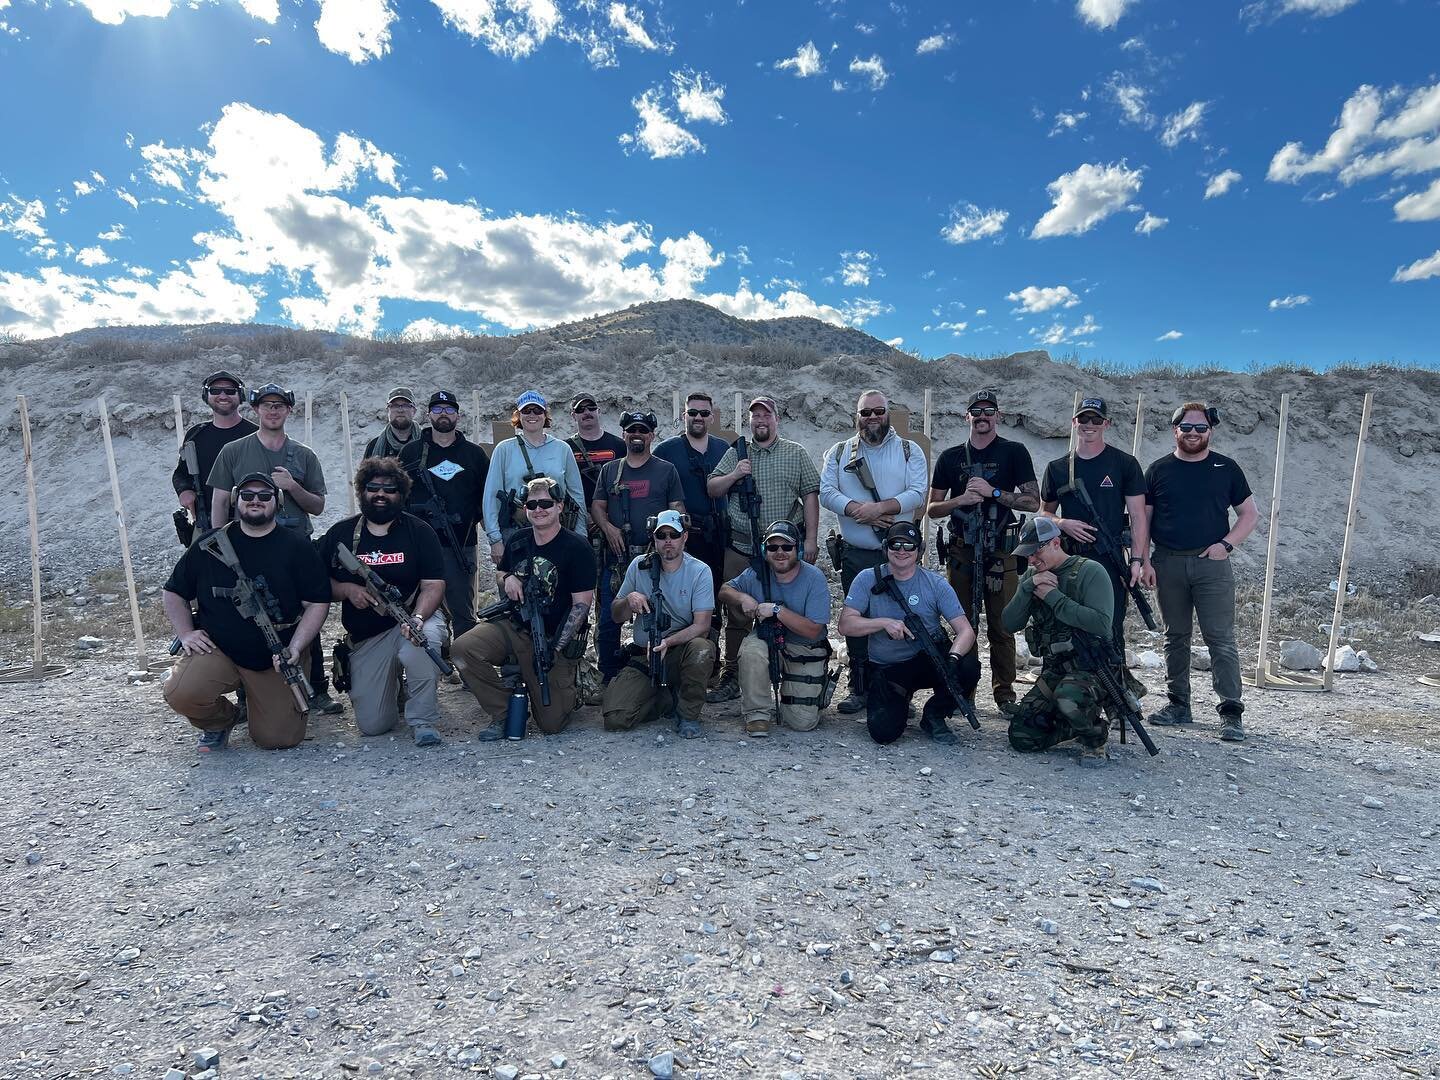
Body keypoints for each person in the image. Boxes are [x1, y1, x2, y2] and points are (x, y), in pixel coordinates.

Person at [162, 472, 330, 751]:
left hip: (276, 656)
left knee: (279, 739)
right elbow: (173, 592)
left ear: (277, 502)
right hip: (219, 649)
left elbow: (317, 603)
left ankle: (261, 706)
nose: (255, 501)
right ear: (237, 500)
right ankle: (221, 721)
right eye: (247, 496)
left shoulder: (297, 546)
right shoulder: (210, 544)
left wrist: (297, 648)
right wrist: (186, 633)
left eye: (264, 496)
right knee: (181, 692)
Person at [207, 381, 339, 714]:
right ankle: (246, 694)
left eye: (279, 405)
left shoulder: (304, 455)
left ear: (288, 411)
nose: (273, 410)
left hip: (295, 550)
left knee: (308, 612)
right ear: (255, 410)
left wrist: (292, 486)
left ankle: (317, 688)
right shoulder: (234, 451)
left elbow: (318, 505)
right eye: (266, 405)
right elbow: (221, 500)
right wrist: (220, 545)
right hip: (245, 549)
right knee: (248, 618)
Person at [1144, 403, 1259, 742]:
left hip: (1212, 565)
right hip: (1168, 562)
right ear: (1174, 429)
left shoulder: (1226, 468)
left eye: (1200, 428)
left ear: (1210, 431)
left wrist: (1226, 544)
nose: (1193, 434)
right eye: (1186, 427)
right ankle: (1179, 704)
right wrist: (1145, 560)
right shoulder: (1158, 470)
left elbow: (1249, 514)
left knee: (1220, 639)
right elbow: (1145, 521)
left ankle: (1231, 712)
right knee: (1175, 637)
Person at [318, 457, 448, 747]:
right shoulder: (341, 534)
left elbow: (433, 585)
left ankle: (422, 720)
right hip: (367, 635)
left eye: (389, 489)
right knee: (373, 726)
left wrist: (418, 617)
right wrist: (347, 591)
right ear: (362, 491)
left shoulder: (420, 532)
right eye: (373, 487)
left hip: (412, 619)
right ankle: (394, 694)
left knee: (421, 644)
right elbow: (317, 584)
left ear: (401, 494)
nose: (381, 494)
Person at [453, 476, 596, 739]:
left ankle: (571, 685)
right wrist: (507, 578)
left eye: (546, 503)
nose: (539, 510)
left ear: (560, 507)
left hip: (553, 637)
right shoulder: (518, 540)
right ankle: (504, 711)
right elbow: (501, 572)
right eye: (532, 505)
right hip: (514, 625)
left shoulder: (577, 547)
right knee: (463, 649)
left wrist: (554, 649)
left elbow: (581, 607)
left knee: (551, 725)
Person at [927, 388, 1039, 715]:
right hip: (962, 552)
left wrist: (995, 493)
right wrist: (960, 501)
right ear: (967, 416)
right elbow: (932, 508)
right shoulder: (950, 457)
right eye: (976, 411)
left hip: (1001, 553)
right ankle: (965, 692)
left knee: (1003, 627)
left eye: (989, 411)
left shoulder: (1014, 452)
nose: (983, 417)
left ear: (998, 417)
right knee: (964, 624)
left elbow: (1032, 501)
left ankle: (1004, 695)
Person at [820, 389, 929, 716]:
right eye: (865, 412)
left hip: (899, 556)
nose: (871, 418)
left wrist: (879, 508)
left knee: (899, 620)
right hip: (857, 553)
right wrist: (857, 510)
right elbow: (827, 492)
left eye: (878, 411)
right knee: (858, 621)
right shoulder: (839, 453)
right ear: (857, 416)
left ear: (888, 413)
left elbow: (917, 493)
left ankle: (897, 690)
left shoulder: (909, 452)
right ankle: (860, 687)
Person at [705, 396, 821, 702]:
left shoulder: (795, 453)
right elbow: (713, 487)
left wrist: (811, 540)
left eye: (765, 415)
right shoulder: (737, 454)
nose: (760, 420)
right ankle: (732, 674)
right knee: (737, 613)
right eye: (754, 416)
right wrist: (735, 475)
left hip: (784, 550)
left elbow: (810, 494)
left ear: (776, 419)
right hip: (742, 546)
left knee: (786, 609)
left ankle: (791, 670)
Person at [839, 522, 980, 746]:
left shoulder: (935, 584)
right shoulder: (867, 578)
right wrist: (883, 623)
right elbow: (845, 625)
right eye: (896, 545)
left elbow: (965, 631)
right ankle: (900, 701)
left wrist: (953, 659)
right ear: (886, 548)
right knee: (883, 732)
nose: (902, 551)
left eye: (909, 546)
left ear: (919, 550)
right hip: (890, 666)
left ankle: (934, 714)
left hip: (928, 659)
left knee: (968, 667)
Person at [1040, 396, 1150, 679]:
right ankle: (1063, 696)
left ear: (1106, 424)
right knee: (1063, 625)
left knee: (1109, 628)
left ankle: (1116, 698)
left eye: (1096, 420)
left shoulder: (1124, 464)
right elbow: (1044, 515)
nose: (1090, 425)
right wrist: (1063, 523)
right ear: (1074, 422)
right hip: (1068, 559)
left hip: (1108, 560)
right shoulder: (1057, 468)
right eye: (1084, 419)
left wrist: (1137, 560)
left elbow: (1138, 516)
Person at [999, 516, 1117, 767]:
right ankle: (1073, 723)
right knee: (1022, 736)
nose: (1031, 560)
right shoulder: (1034, 576)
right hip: (1056, 670)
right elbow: (1009, 624)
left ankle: (1094, 738)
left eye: (1035, 552)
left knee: (1068, 696)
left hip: (1093, 669)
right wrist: (1027, 587)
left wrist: (1053, 597)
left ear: (1055, 543)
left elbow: (1100, 624)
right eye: (1027, 555)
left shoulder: (1090, 571)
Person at [601, 510, 715, 738]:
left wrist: (668, 641)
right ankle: (665, 699)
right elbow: (616, 615)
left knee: (702, 649)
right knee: (615, 718)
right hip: (645, 653)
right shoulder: (638, 565)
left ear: (685, 537)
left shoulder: (700, 571)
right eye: (661, 535)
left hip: (679, 651)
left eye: (674, 535)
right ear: (654, 539)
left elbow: (702, 625)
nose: (668, 541)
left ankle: (689, 714)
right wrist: (629, 599)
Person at [590, 410, 685, 682]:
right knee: (610, 617)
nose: (637, 435)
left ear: (652, 435)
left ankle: (659, 671)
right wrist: (609, 528)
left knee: (660, 616)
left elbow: (677, 508)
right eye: (632, 430)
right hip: (618, 558)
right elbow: (598, 506)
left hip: (654, 559)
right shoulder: (610, 470)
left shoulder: (666, 470)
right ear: (624, 434)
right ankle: (608, 675)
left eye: (643, 430)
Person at [716, 520, 833, 738]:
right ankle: (757, 714)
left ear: (797, 549)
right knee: (751, 650)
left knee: (802, 722)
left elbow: (814, 630)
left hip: (803, 647)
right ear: (764, 551)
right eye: (772, 547)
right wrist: (743, 598)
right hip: (768, 639)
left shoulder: (814, 578)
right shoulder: (756, 573)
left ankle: (811, 691)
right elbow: (724, 591)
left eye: (786, 547)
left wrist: (777, 610)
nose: (780, 553)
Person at [399, 390, 490, 638]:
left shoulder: (474, 454)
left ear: (458, 416)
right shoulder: (411, 453)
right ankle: (436, 661)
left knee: (463, 612)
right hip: (420, 547)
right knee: (420, 610)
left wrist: (491, 536)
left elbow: (486, 500)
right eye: (437, 409)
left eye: (449, 409)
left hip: (461, 545)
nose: (443, 414)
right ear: (428, 414)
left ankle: (466, 665)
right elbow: (400, 498)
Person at [481, 391, 586, 563]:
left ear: (545, 415)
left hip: (557, 531)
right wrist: (495, 539)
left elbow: (576, 494)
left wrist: (581, 534)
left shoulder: (562, 449)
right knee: (514, 586)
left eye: (537, 411)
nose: (532, 415)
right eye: (526, 411)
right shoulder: (504, 449)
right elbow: (492, 496)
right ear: (518, 415)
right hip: (516, 531)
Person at [653, 391, 731, 613]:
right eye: (693, 412)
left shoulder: (724, 448)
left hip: (720, 537)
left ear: (712, 417)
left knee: (717, 597)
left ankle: (711, 644)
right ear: (684, 415)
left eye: (704, 413)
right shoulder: (666, 450)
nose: (698, 417)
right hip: (682, 537)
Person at [172, 370, 256, 544]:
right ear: (206, 395)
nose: (223, 395)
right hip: (206, 524)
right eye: (215, 390)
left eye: (230, 391)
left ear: (240, 396)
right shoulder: (196, 435)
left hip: (252, 524)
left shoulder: (256, 435)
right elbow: (181, 473)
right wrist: (184, 491)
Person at [566, 393, 627, 508]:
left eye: (591, 408)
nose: (587, 412)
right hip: (579, 515)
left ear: (598, 411)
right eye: (580, 409)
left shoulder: (620, 445)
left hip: (613, 513)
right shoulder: (565, 448)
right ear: (573, 415)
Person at [364, 387, 420, 459]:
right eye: (395, 406)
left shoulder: (427, 443)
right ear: (388, 410)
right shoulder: (373, 446)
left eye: (406, 405)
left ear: (414, 411)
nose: (400, 410)